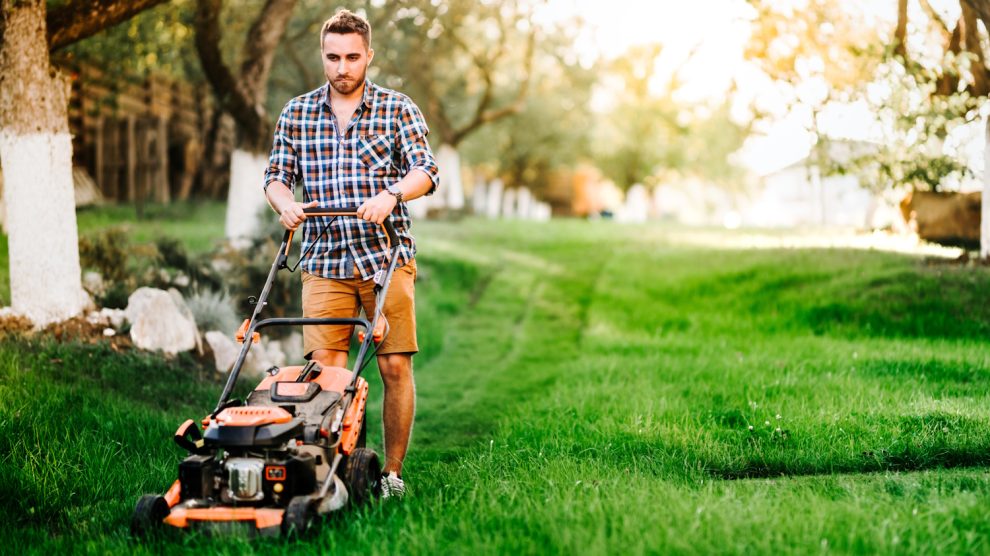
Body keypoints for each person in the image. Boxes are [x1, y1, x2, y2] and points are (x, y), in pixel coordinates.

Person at [263, 8, 439, 499]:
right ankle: (340, 473)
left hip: (385, 256)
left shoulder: (397, 108)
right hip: (323, 261)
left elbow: (426, 170)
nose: (342, 68)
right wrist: (286, 205)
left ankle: (391, 476)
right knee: (330, 375)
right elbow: (276, 176)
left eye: (352, 58)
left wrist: (393, 195)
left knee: (393, 366)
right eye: (333, 57)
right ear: (322, 55)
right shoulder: (297, 113)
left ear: (369, 56)